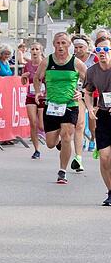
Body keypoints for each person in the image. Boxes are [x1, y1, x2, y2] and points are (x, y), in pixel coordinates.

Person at [34, 32, 88, 184]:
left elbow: (89, 80)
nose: (61, 46)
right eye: (58, 43)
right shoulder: (47, 61)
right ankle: (59, 144)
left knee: (66, 136)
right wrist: (38, 91)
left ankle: (62, 171)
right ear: (54, 45)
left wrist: (82, 92)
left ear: (69, 45)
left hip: (70, 105)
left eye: (64, 43)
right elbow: (37, 77)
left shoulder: (76, 63)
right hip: (51, 105)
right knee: (50, 143)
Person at [81, 38, 111, 205]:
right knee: (105, 157)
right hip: (104, 116)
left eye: (106, 50)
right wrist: (90, 108)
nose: (102, 53)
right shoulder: (92, 71)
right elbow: (87, 91)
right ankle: (110, 192)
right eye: (99, 50)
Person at [72, 34, 97, 169]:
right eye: (76, 47)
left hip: (95, 93)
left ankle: (93, 138)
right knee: (79, 124)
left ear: (87, 47)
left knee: (93, 122)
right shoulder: (73, 60)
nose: (78, 50)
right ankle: (78, 158)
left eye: (81, 47)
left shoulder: (94, 57)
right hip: (80, 94)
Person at [21, 42, 46, 159]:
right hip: (30, 96)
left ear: (40, 51)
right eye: (32, 49)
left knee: (41, 125)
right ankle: (36, 150)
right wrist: (23, 77)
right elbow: (24, 83)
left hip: (42, 96)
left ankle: (56, 138)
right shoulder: (28, 65)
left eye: (37, 49)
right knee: (33, 123)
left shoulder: (45, 64)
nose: (34, 51)